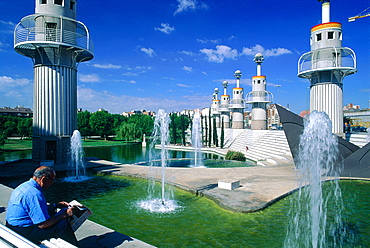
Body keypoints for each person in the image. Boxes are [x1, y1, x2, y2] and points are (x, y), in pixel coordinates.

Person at [6, 166, 78, 246]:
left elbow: (33, 209)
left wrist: (55, 205)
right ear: (44, 179)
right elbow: (42, 224)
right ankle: (75, 246)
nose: (51, 184)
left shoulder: (24, 186)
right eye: (52, 180)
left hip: (12, 226)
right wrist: (65, 214)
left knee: (52, 212)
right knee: (63, 225)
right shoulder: (35, 194)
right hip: (22, 231)